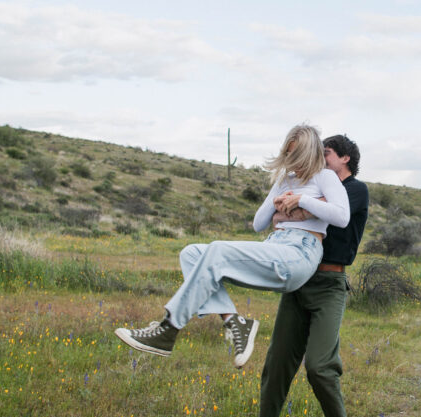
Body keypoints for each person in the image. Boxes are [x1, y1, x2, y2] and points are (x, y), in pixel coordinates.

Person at [114, 124, 350, 368]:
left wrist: (301, 200)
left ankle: (168, 328)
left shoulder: (325, 177)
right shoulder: (284, 180)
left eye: (297, 155)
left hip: (300, 252)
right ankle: (234, 322)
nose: (293, 161)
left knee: (217, 249)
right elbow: (258, 224)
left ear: (311, 153)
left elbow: (342, 217)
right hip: (275, 245)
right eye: (289, 154)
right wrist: (278, 202)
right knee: (191, 253)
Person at [251, 134, 368, 417]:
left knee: (319, 365)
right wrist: (288, 206)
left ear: (344, 158)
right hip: (299, 277)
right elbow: (272, 219)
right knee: (276, 365)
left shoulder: (354, 190)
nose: (319, 158)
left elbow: (335, 214)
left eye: (326, 153)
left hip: (329, 282)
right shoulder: (315, 184)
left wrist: (295, 206)